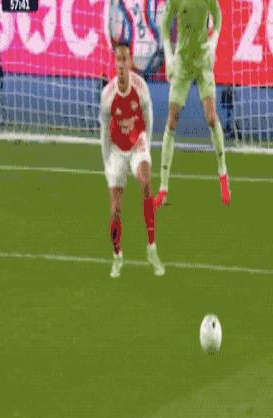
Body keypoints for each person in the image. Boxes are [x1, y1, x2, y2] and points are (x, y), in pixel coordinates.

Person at [154, 0, 231, 208]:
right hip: (182, 61)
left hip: (203, 60)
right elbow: (164, 24)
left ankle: (223, 173)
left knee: (211, 116)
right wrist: (169, 56)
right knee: (172, 120)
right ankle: (163, 188)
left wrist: (213, 44)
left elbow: (218, 16)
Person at [99, 43, 165, 278]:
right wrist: (107, 161)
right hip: (117, 150)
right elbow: (104, 132)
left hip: (137, 144)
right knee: (115, 209)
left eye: (125, 59)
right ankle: (117, 256)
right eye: (118, 59)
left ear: (130, 62)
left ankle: (151, 248)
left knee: (146, 183)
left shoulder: (141, 88)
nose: (121, 64)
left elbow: (148, 117)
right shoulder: (107, 95)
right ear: (115, 62)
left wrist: (145, 143)